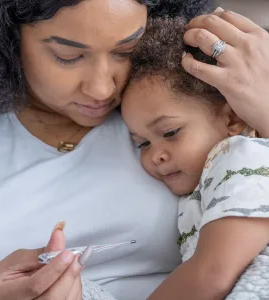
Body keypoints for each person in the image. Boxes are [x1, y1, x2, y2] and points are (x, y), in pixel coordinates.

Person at [0, 0, 269, 299]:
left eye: (126, 51)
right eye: (68, 56)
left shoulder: (184, 105)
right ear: (5, 39)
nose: (102, 89)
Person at [121, 16, 269, 300]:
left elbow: (213, 273)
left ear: (233, 118)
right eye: (142, 144)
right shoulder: (206, 181)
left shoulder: (242, 158)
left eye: (171, 132)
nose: (156, 156)